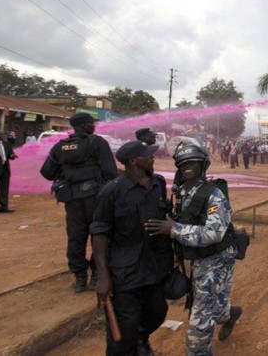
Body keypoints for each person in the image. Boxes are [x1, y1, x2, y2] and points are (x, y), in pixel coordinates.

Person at [144, 144, 242, 355]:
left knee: (199, 326)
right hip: (195, 261)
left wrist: (174, 229)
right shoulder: (180, 193)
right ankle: (228, 313)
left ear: (202, 165)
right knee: (209, 304)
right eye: (183, 164)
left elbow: (214, 233)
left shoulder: (214, 194)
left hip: (216, 261)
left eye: (192, 163)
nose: (188, 167)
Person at [91, 141, 173, 355]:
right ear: (133, 161)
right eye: (148, 155)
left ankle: (140, 339)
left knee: (157, 311)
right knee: (124, 326)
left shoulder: (158, 184)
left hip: (155, 265)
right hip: (125, 269)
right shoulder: (112, 191)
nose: (153, 157)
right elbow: (99, 234)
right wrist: (102, 276)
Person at [40, 113, 118, 293]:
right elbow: (110, 171)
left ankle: (80, 277)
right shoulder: (97, 143)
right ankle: (97, 274)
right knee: (100, 235)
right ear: (83, 126)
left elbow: (46, 172)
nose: (94, 126)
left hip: (72, 200)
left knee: (75, 237)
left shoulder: (61, 147)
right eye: (91, 124)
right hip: (96, 198)